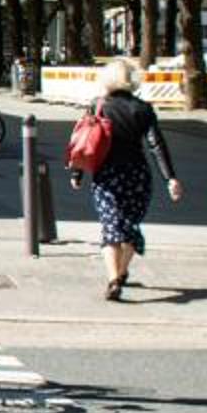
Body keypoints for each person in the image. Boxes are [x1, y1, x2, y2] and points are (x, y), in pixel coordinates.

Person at [72, 56, 180, 301]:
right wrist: (170, 178)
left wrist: (77, 172)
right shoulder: (143, 109)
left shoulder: (97, 105)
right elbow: (156, 145)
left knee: (110, 226)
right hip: (137, 175)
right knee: (130, 226)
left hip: (107, 175)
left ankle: (113, 279)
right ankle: (120, 274)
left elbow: (84, 141)